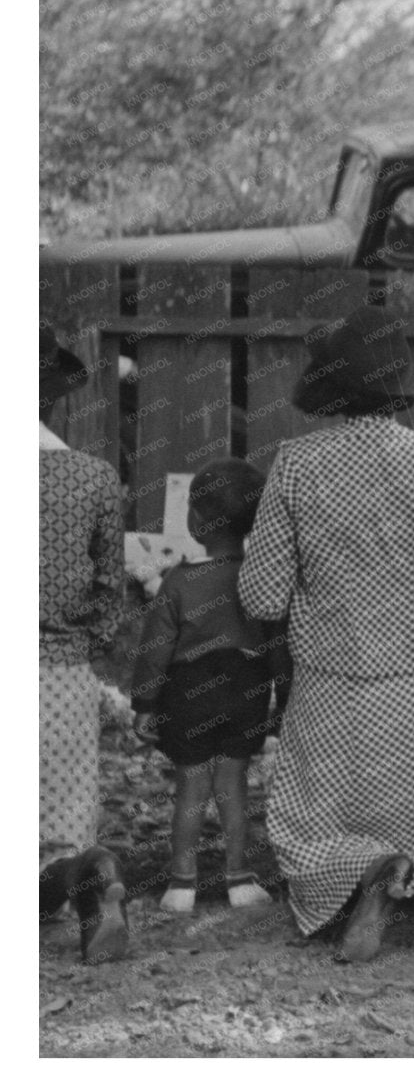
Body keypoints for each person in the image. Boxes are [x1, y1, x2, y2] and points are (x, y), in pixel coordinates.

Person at [241, 304, 414, 962]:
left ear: (329, 385)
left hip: (332, 705)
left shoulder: (297, 465)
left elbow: (262, 594)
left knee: (311, 831)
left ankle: (367, 875)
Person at [130, 458, 288, 913]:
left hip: (188, 694)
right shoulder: (262, 578)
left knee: (191, 788)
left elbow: (155, 648)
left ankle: (182, 884)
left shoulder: (179, 582)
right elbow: (278, 643)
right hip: (246, 691)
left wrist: (144, 703)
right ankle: (239, 879)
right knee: (234, 786)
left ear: (196, 522)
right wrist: (283, 697)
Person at [38, 322, 132, 964]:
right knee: (58, 830)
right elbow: (110, 588)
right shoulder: (93, 479)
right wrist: (80, 645)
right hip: (60, 680)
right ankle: (87, 873)